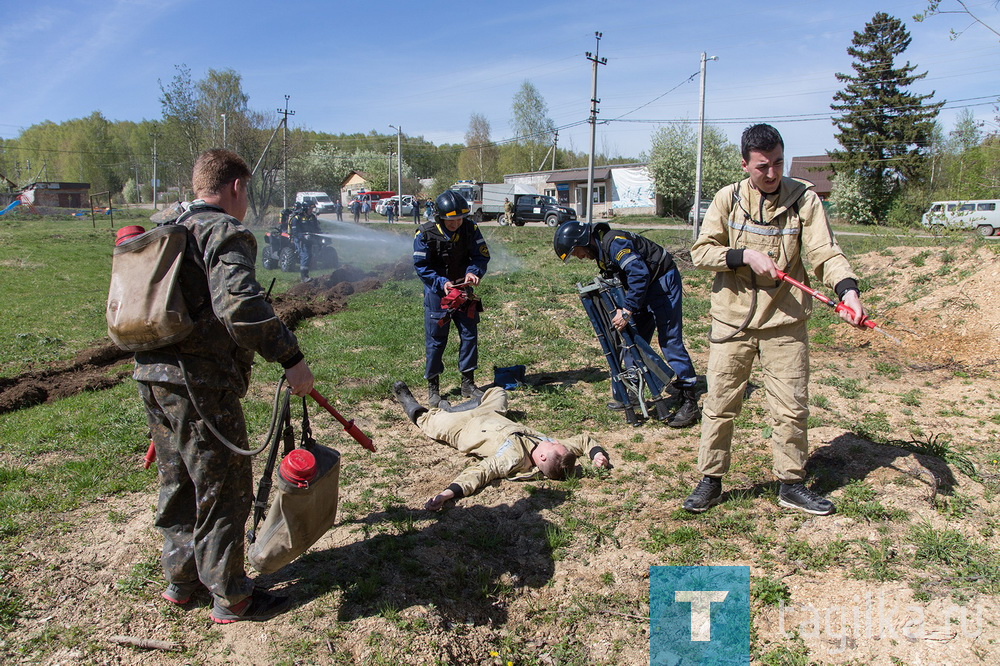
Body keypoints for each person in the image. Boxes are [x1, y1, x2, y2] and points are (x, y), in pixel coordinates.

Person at [135, 148, 315, 623]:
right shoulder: (223, 231)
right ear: (235, 186)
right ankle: (232, 595)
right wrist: (290, 356)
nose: (246, 201)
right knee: (223, 487)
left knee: (177, 481)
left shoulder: (165, 227)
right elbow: (239, 306)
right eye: (247, 191)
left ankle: (182, 580)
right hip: (200, 383)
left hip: (152, 374)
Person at [683, 123, 867, 516]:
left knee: (791, 406)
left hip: (785, 322)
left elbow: (825, 253)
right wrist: (743, 255)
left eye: (779, 163)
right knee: (719, 404)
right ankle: (710, 481)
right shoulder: (727, 198)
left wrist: (847, 290)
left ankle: (791, 483)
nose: (772, 174)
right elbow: (701, 252)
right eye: (763, 166)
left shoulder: (805, 200)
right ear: (745, 163)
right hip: (732, 323)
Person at [553, 220, 701, 428]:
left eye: (575, 251)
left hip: (662, 282)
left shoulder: (614, 243)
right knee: (631, 339)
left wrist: (627, 308)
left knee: (669, 340)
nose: (579, 256)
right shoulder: (601, 252)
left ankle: (689, 399)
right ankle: (633, 392)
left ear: (582, 241)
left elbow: (639, 273)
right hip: (642, 290)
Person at [392, 382, 610, 510]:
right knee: (498, 391)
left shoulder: (511, 459)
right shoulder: (554, 450)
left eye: (552, 444)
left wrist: (447, 494)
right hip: (490, 413)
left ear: (542, 459)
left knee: (428, 421)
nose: (553, 440)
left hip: (461, 428)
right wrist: (597, 455)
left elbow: (481, 472)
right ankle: (456, 407)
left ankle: (411, 403)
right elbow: (582, 440)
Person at [412, 190, 490, 407]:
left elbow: (481, 255)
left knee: (469, 335)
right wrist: (441, 283)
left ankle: (468, 382)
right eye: (451, 219)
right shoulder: (424, 234)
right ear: (440, 217)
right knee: (436, 341)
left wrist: (473, 271)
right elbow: (421, 266)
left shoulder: (471, 229)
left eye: (459, 218)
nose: (456, 223)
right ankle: (434, 388)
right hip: (438, 295)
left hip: (464, 292)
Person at [289, 202, 320, 281]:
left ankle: (306, 274)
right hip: (300, 241)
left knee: (309, 255)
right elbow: (295, 232)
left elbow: (316, 228)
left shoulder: (312, 217)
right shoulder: (297, 218)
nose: (311, 210)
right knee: (305, 255)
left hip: (310, 239)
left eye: (312, 209)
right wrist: (303, 236)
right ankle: (304, 277)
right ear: (305, 209)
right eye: (310, 209)